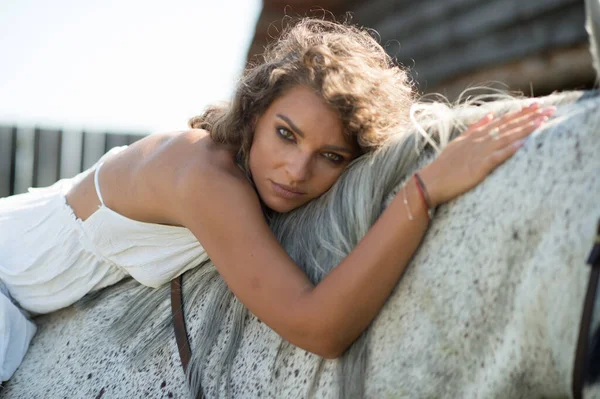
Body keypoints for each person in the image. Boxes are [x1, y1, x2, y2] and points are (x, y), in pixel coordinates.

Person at [0, 18, 555, 382]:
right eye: (286, 134)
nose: (297, 170)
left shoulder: (246, 174)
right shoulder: (206, 177)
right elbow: (318, 328)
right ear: (255, 115)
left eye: (331, 156)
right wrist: (424, 190)